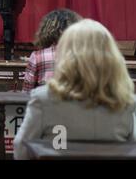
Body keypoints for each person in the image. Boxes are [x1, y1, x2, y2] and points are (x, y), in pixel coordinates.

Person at [14, 19, 136, 160]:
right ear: (112, 57)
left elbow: (21, 149)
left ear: (66, 55)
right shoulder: (127, 102)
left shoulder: (43, 99)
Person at [22, 9, 82, 92]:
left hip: (46, 103)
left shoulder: (38, 56)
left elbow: (26, 92)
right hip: (75, 103)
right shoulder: (84, 56)